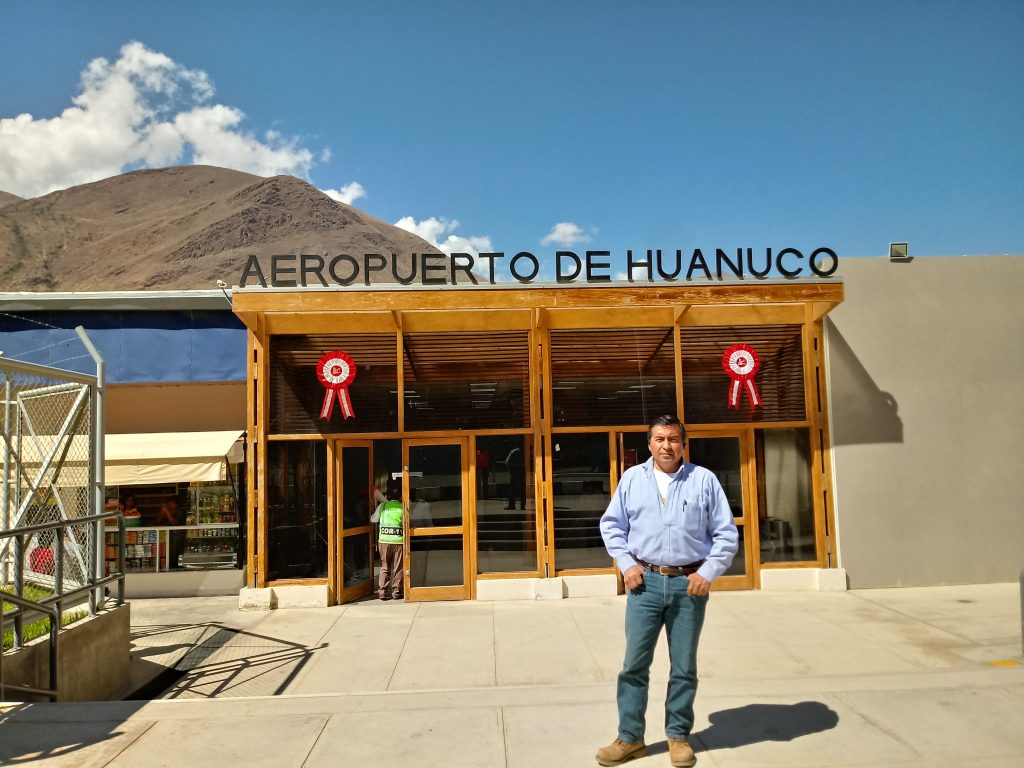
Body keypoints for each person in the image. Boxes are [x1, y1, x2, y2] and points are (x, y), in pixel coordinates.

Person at [596, 415, 738, 768]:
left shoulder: (703, 481)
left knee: (684, 666)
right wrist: (626, 564)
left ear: (683, 443)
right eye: (659, 439)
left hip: (689, 586)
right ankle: (629, 738)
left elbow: (726, 533)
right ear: (649, 445)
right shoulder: (632, 479)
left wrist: (708, 571)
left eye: (673, 439)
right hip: (644, 583)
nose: (666, 445)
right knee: (634, 665)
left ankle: (677, 736)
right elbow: (612, 525)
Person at [370, 479, 404, 600]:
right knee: (398, 567)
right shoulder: (402, 508)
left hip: (383, 541)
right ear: (401, 496)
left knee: (385, 566)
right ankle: (396, 592)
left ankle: (382, 592)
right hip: (398, 541)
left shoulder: (383, 506)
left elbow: (373, 520)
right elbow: (407, 524)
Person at [504, 444, 526, 511]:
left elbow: (507, 462)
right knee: (522, 488)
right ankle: (523, 505)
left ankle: (512, 505)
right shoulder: (526, 452)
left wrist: (510, 470)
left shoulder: (513, 451)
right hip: (522, 470)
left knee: (513, 488)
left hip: (514, 470)